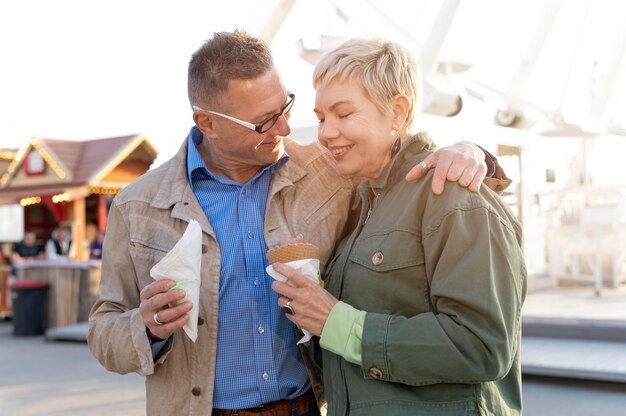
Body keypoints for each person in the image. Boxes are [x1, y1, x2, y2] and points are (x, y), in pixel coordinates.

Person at [87, 30, 510, 416]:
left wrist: (471, 152)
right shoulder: (138, 206)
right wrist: (145, 327)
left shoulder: (328, 176)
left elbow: (397, 156)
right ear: (208, 124)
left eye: (284, 107)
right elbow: (103, 331)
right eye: (264, 122)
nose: (288, 128)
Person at [270, 38, 526, 415]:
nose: (326, 133)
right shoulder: (362, 204)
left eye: (343, 113)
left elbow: (482, 346)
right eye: (322, 117)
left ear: (397, 111)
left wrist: (337, 321)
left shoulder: (454, 196)